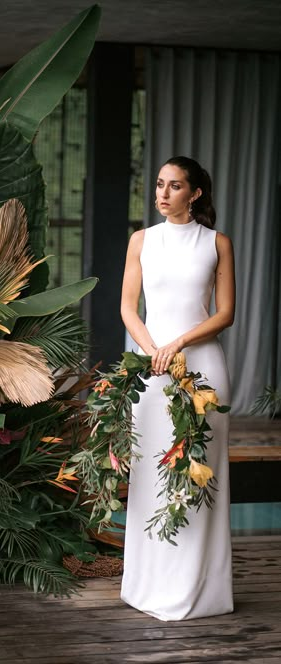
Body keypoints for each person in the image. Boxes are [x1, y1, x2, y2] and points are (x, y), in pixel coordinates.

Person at [119, 156, 236, 621]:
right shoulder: (141, 241)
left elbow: (223, 313)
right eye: (160, 185)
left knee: (200, 472)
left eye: (175, 186)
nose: (163, 194)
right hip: (152, 370)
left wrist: (179, 344)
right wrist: (153, 352)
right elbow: (129, 309)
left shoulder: (217, 244)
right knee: (151, 471)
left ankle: (199, 590)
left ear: (196, 194)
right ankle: (148, 585)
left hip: (203, 368)